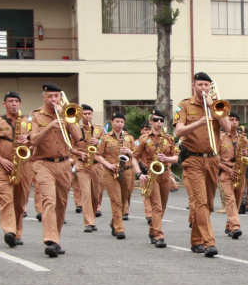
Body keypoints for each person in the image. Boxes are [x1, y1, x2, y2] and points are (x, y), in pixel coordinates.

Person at [174, 72, 231, 257]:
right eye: (200, 85)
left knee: (207, 202)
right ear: (194, 86)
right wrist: (199, 122)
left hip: (213, 159)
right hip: (193, 159)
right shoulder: (184, 105)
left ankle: (196, 240)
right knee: (200, 202)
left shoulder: (215, 104)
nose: (204, 88)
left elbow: (228, 128)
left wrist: (213, 107)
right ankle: (208, 242)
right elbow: (179, 131)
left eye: (206, 85)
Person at [28, 83, 82, 257]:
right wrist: (50, 126)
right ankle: (50, 240)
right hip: (43, 163)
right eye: (50, 96)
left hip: (64, 164)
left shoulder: (66, 113)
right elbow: (33, 140)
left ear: (60, 98)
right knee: (49, 201)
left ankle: (56, 238)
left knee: (61, 204)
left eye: (56, 96)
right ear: (44, 97)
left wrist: (65, 117)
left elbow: (78, 137)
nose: (53, 100)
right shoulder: (36, 115)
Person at [0, 91, 34, 248]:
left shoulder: (28, 122)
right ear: (4, 104)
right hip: (1, 166)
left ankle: (17, 231)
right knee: (6, 200)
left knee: (20, 202)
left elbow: (36, 142)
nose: (14, 104)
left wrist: (28, 141)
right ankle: (9, 232)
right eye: (11, 101)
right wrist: (0, 159)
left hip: (23, 166)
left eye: (17, 101)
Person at [134, 109, 177, 247]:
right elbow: (134, 158)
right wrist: (139, 174)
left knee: (163, 205)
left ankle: (152, 230)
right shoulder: (144, 139)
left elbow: (176, 158)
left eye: (161, 120)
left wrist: (167, 158)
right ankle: (159, 235)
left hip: (164, 173)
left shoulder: (168, 138)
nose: (159, 123)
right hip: (151, 174)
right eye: (156, 120)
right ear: (151, 122)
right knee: (156, 205)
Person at [94, 112, 136, 240]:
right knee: (116, 201)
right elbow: (97, 155)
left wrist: (128, 152)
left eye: (122, 122)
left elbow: (137, 154)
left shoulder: (129, 138)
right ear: (112, 122)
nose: (119, 124)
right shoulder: (105, 138)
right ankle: (119, 228)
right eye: (117, 121)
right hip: (110, 171)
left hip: (127, 170)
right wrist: (108, 165)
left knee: (124, 201)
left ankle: (114, 223)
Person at [71, 104, 104, 233]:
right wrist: (80, 153)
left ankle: (93, 214)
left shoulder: (99, 129)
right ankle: (88, 223)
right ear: (80, 115)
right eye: (84, 114)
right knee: (86, 194)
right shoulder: (75, 130)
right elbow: (70, 147)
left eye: (89, 114)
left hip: (96, 165)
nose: (87, 116)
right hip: (82, 165)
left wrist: (99, 143)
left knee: (96, 195)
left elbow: (107, 145)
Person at [216, 112, 246, 239]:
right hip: (225, 172)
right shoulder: (220, 138)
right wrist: (227, 169)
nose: (234, 122)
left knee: (238, 200)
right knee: (230, 199)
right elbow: (215, 158)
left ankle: (229, 225)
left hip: (239, 172)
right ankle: (235, 226)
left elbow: (246, 154)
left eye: (236, 120)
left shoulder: (242, 138)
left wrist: (245, 153)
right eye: (231, 120)